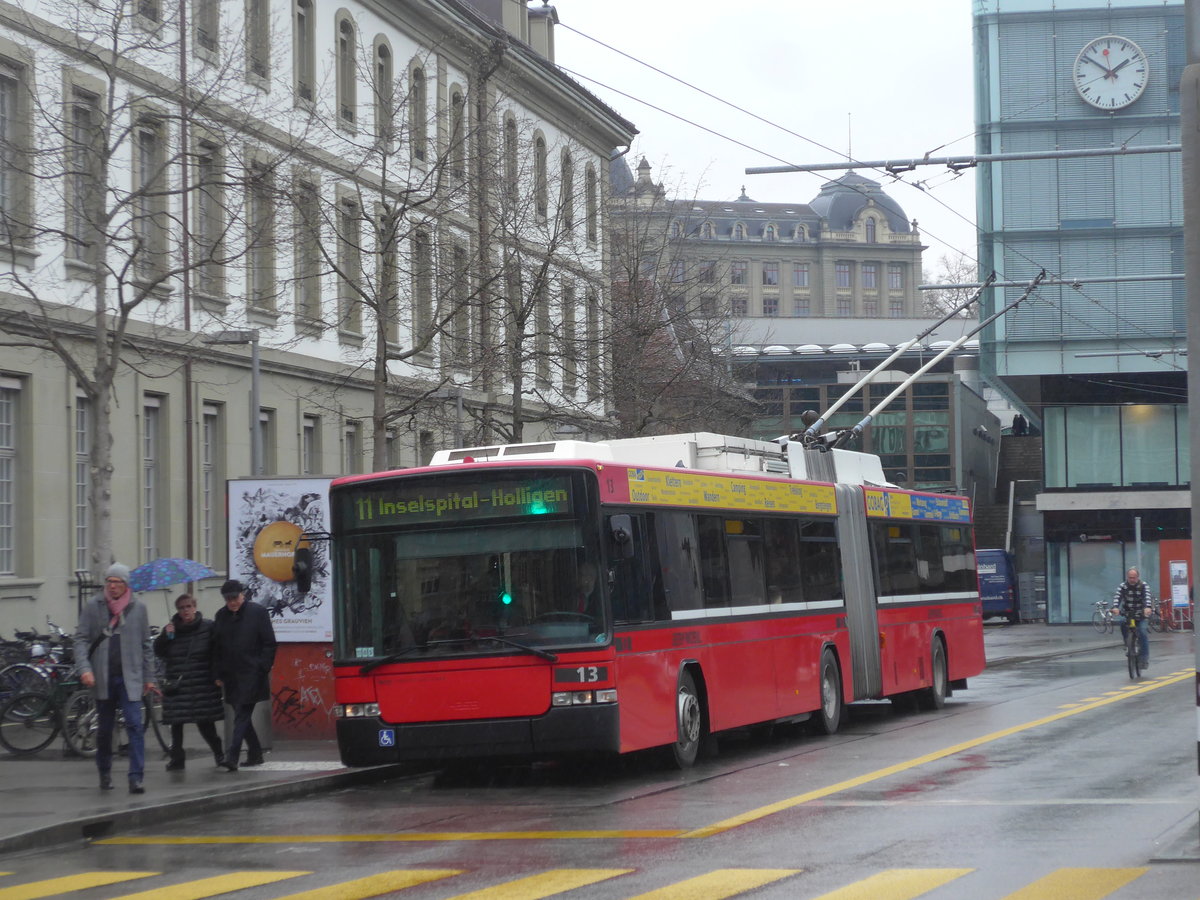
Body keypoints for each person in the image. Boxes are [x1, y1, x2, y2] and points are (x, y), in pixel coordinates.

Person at [73, 563, 157, 794]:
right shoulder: (94, 606)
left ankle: (136, 777)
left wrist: (149, 678)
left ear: (125, 585)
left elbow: (146, 645)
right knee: (105, 729)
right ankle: (104, 771)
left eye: (116, 582)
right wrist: (85, 669)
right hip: (103, 677)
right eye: (108, 581)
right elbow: (80, 640)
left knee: (134, 726)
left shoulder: (138, 608)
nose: (111, 586)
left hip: (130, 678)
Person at [154, 593, 225, 771]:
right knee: (176, 723)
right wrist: (164, 637)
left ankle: (219, 754)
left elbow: (217, 651)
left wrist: (217, 675)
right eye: (181, 608)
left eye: (188, 607)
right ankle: (177, 759)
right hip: (178, 683)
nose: (185, 611)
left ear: (195, 607)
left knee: (206, 723)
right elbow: (160, 652)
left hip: (202, 683)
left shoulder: (208, 627)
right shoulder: (171, 630)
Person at [211, 579, 277, 772]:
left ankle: (232, 756)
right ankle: (255, 753)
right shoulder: (221, 616)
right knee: (242, 715)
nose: (232, 602)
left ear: (243, 595)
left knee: (242, 714)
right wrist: (217, 672)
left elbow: (269, 643)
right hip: (230, 674)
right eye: (228, 599)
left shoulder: (257, 613)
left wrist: (262, 666)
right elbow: (216, 647)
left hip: (252, 673)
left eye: (235, 597)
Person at [1112, 566, 1152, 669]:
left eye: (1134, 577)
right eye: (1130, 577)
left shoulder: (1143, 585)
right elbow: (1117, 597)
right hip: (1128, 613)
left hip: (1141, 614)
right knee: (1122, 623)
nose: (1132, 579)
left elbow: (1147, 597)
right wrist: (1115, 607)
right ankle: (1128, 644)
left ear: (1138, 577)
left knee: (1143, 632)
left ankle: (1144, 659)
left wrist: (1147, 607)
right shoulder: (1123, 586)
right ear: (1127, 577)